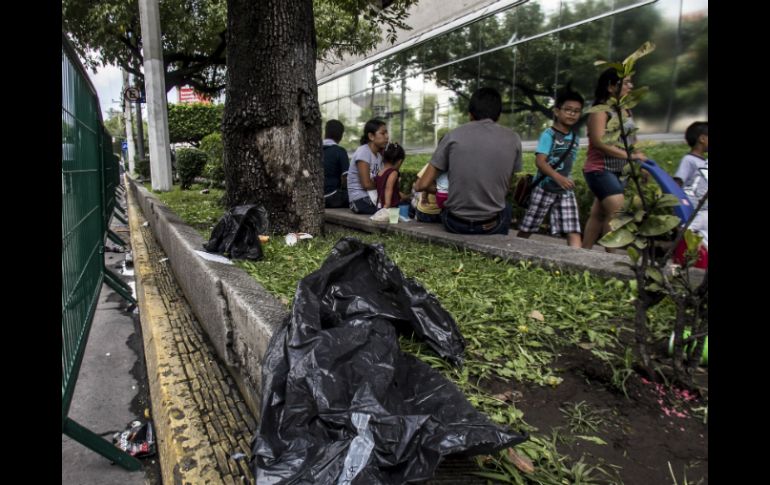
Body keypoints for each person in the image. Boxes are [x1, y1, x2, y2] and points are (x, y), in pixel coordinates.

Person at [414, 87, 522, 235]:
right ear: (498, 116)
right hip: (491, 224)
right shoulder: (513, 138)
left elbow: (422, 185)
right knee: (507, 208)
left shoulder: (452, 136)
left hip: (455, 223)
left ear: (470, 114)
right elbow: (507, 186)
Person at [582, 68, 648, 250]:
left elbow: (633, 140)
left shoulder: (626, 110)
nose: (631, 86)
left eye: (630, 82)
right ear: (611, 87)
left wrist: (642, 163)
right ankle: (607, 260)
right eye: (626, 83)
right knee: (616, 212)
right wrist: (632, 157)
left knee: (598, 213)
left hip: (620, 170)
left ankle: (583, 253)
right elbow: (599, 142)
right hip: (600, 170)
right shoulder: (600, 111)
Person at [517, 87, 585, 247]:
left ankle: (578, 263)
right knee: (528, 227)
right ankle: (514, 248)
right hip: (544, 189)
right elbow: (540, 162)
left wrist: (566, 179)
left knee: (573, 229)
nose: (572, 114)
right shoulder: (549, 134)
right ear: (556, 111)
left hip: (564, 190)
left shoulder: (575, 137)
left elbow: (570, 163)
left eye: (576, 111)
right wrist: (558, 177)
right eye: (568, 110)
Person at [673, 121, 708, 267]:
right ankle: (681, 256)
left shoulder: (704, 161)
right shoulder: (689, 160)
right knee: (689, 229)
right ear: (702, 138)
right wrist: (675, 203)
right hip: (695, 206)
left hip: (703, 207)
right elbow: (677, 181)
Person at [347, 119, 389, 215]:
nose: (387, 136)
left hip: (371, 197)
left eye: (387, 133)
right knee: (389, 211)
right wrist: (385, 186)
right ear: (371, 136)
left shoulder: (378, 156)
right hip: (359, 200)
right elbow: (366, 184)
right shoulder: (363, 152)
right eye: (383, 133)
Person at [322, 120, 350, 208]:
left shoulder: (313, 150)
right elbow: (346, 178)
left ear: (325, 132)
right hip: (331, 197)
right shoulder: (340, 151)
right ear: (341, 136)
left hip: (314, 197)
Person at [375, 142, 406, 209]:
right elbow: (388, 189)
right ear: (399, 161)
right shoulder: (393, 173)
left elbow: (381, 189)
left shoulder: (380, 172)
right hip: (391, 207)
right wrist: (387, 204)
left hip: (381, 204)